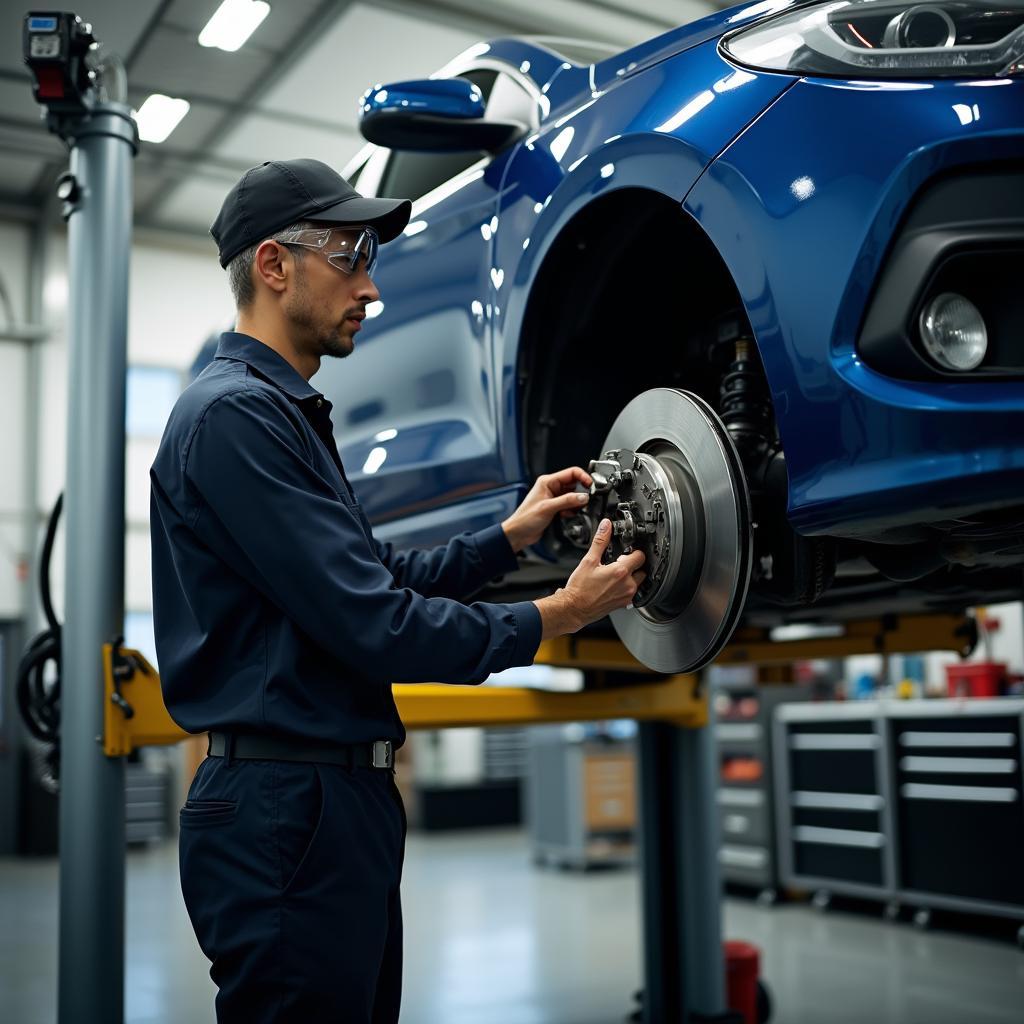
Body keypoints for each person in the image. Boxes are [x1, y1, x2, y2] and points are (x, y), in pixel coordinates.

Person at [149, 158, 646, 1024]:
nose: (372, 287)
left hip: (328, 806)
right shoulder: (234, 418)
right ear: (274, 265)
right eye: (351, 255)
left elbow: (372, 581)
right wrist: (553, 616)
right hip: (286, 811)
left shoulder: (280, 411)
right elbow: (375, 623)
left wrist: (503, 540)